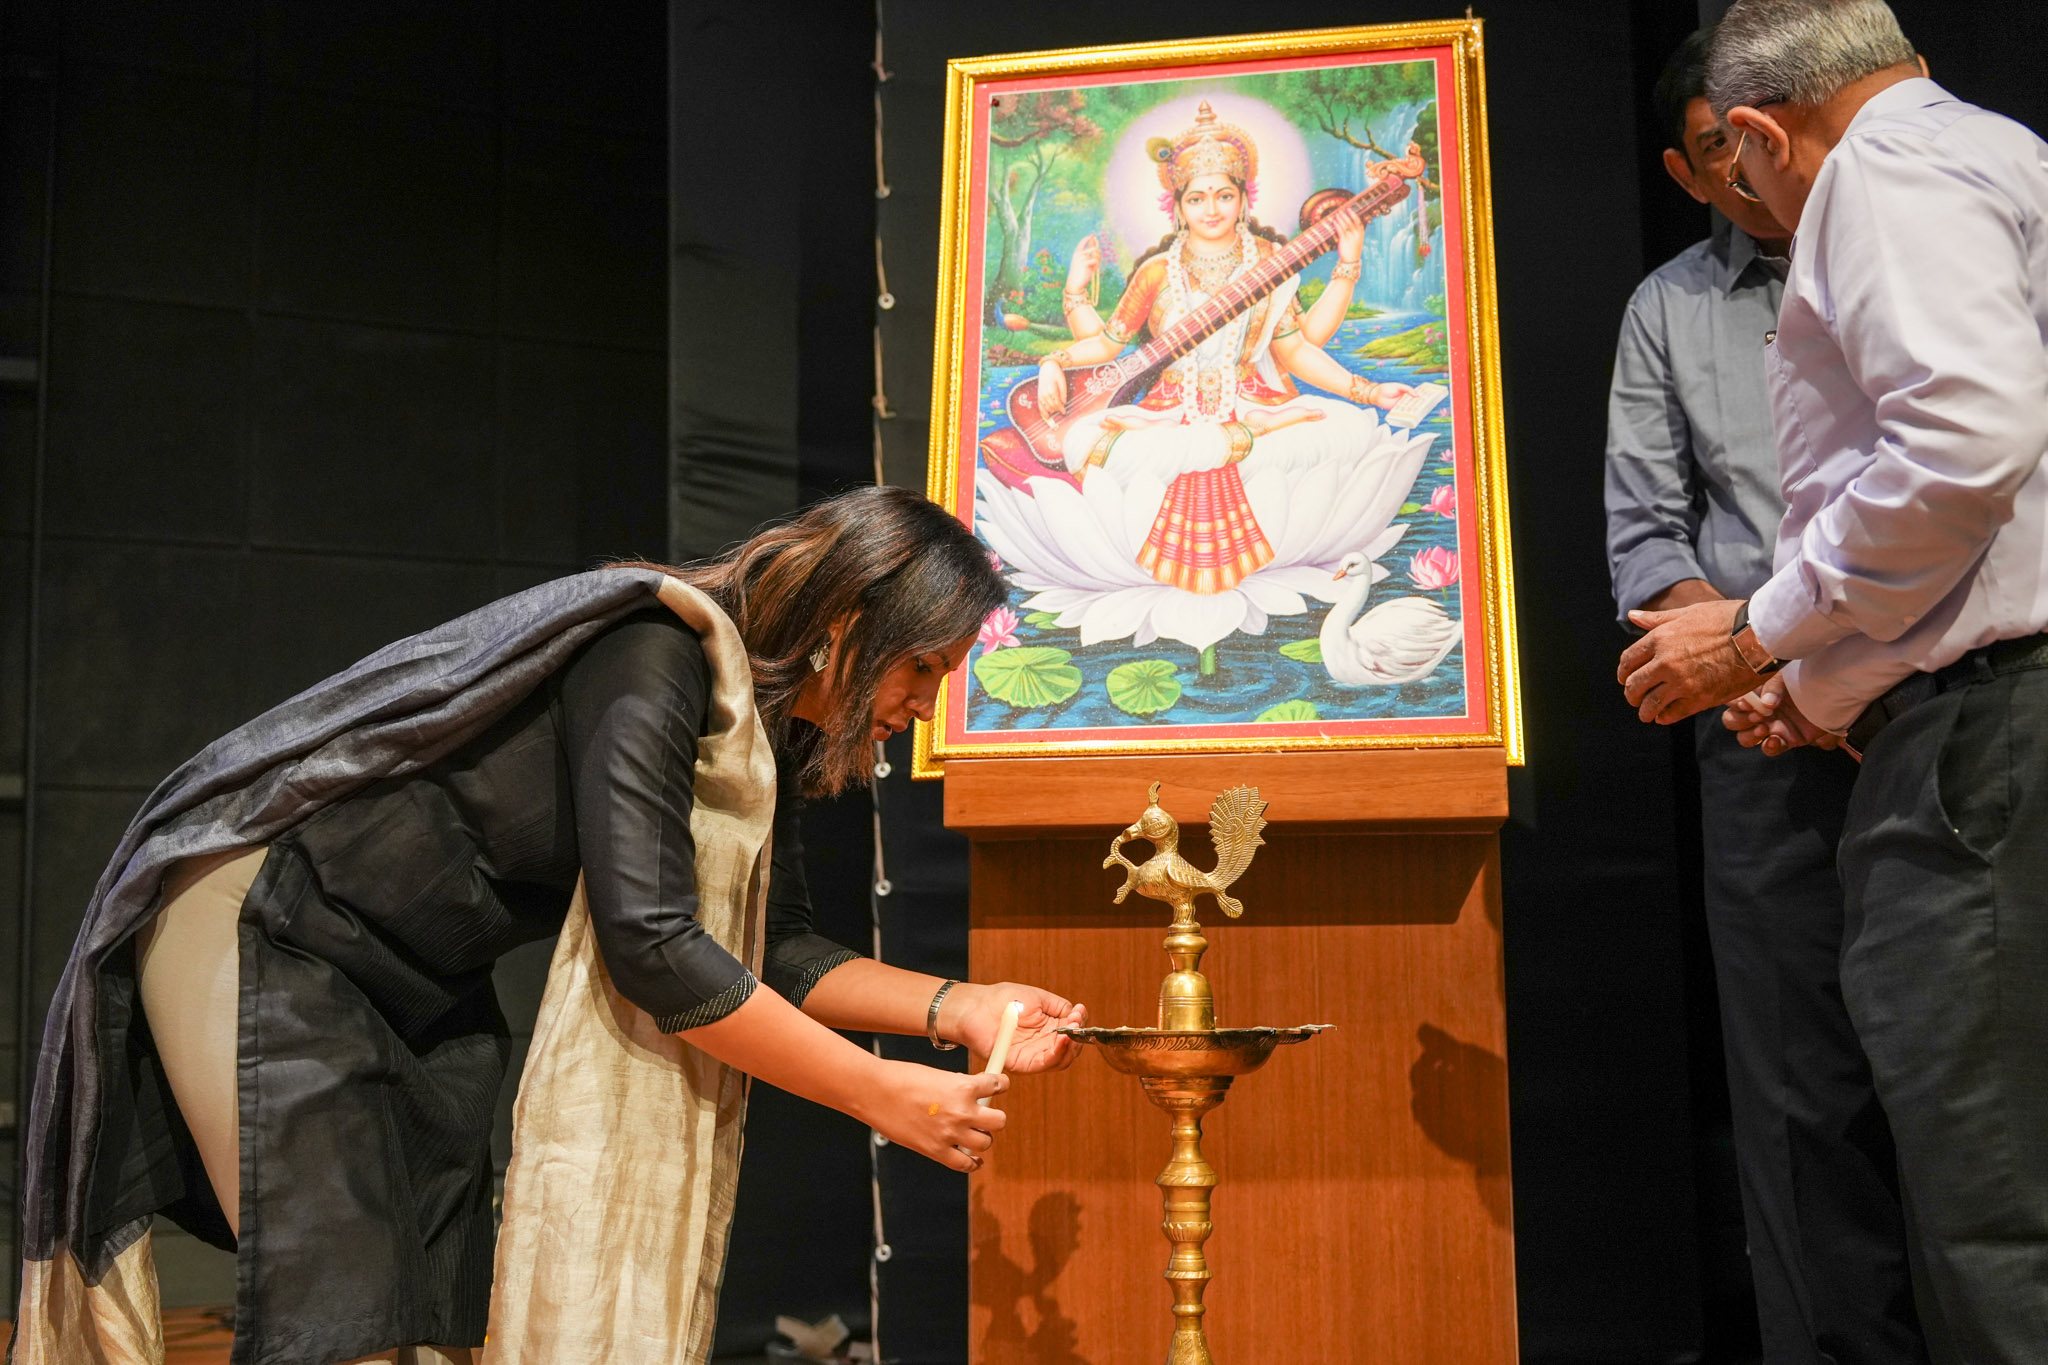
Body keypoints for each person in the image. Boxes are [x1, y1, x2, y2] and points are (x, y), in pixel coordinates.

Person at [16, 486, 1088, 1364]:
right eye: (922, 666)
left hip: (414, 983)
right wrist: (876, 1091)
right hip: (272, 926)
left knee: (426, 1326)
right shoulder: (654, 649)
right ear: (850, 620)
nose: (924, 702)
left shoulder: (756, 726)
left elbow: (774, 947)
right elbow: (656, 948)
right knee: (342, 1321)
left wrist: (961, 1008)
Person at [1618, 1, 2048, 1355]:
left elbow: (1960, 455)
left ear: (1756, 132)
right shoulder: (2003, 148)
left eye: (1747, 166)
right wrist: (1813, 689)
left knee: (1988, 1198)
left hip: (1980, 745)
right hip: (1949, 711)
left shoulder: (1876, 172)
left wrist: (1758, 636)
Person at [1604, 29, 1924, 1365]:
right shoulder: (1670, 308)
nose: (1751, 175)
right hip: (1759, 733)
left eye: (1762, 144)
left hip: (1935, 703)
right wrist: (1764, 667)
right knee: (1798, 1093)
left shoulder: (1910, 248)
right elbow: (1645, 540)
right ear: (1687, 170)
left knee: (1961, 1073)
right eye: (1717, 154)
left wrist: (1830, 663)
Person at [1034, 101, 1420, 595]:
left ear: (1244, 199)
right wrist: (1055, 361)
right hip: (1170, 412)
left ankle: (1242, 440)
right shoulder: (1157, 272)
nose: (1211, 209)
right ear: (1178, 207)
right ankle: (1234, 443)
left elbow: (1295, 350)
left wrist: (1366, 390)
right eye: (1197, 199)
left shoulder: (1270, 261)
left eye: (1224, 195)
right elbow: (1110, 344)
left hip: (1253, 401)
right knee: (1082, 441)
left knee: (1348, 428)